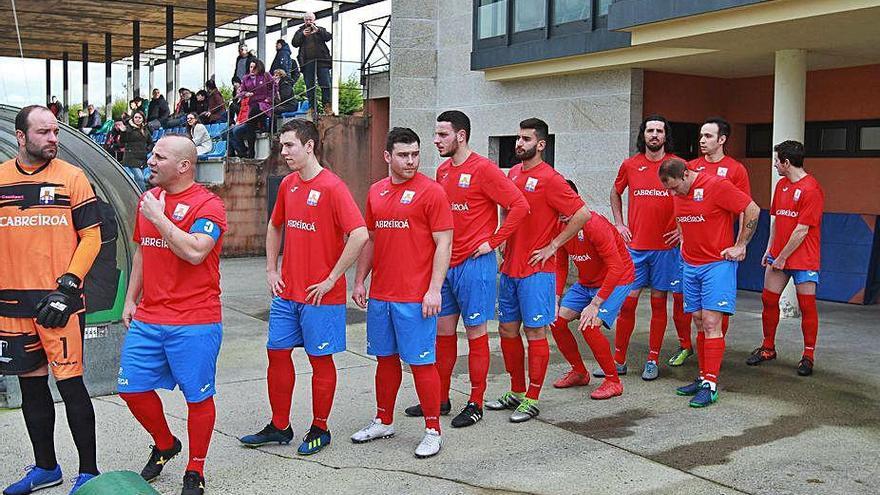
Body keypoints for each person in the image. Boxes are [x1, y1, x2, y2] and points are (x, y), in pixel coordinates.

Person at [239, 119, 368, 455]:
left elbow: (360, 234)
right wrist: (271, 269)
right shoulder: (288, 185)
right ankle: (280, 426)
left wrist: (331, 278)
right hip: (288, 292)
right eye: (282, 146)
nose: (284, 152)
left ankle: (320, 427)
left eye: (289, 145)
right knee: (276, 353)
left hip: (321, 296)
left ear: (309, 146)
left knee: (320, 360)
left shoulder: (332, 187)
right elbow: (274, 225)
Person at [400, 110, 528, 428]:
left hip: (475, 266)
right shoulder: (442, 171)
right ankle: (440, 399)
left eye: (442, 134)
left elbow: (520, 206)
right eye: (436, 133)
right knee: (443, 335)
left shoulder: (484, 169)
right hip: (447, 266)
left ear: (461, 135)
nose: (436, 140)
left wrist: (494, 241)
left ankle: (475, 402)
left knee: (475, 334)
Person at [0, 105, 102, 494]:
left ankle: (88, 473)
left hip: (59, 303)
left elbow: (92, 236)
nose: (53, 139)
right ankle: (46, 468)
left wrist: (69, 285)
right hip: (11, 307)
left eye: (56, 132)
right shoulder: (1, 179)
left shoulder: (73, 178)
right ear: (21, 137)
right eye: (44, 133)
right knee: (31, 387)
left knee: (72, 386)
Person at [117, 134, 227, 495]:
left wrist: (161, 219)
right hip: (149, 317)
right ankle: (165, 443)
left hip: (195, 319)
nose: (150, 160)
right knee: (131, 389)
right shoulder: (149, 199)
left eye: (159, 156)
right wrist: (130, 299)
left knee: (197, 398)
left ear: (183, 166)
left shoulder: (208, 205)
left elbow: (195, 252)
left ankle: (195, 470)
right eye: (151, 154)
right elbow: (143, 253)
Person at [349, 127, 453, 459]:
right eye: (403, 155)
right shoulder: (376, 192)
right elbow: (371, 238)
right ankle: (383, 420)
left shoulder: (432, 192)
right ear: (387, 157)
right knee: (385, 359)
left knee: (423, 363)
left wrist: (434, 290)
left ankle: (433, 430)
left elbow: (444, 244)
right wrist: (360, 280)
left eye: (415, 154)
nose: (411, 161)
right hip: (382, 295)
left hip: (416, 296)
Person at [486, 118, 589, 422]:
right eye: (518, 138)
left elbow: (582, 214)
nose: (519, 144)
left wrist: (554, 245)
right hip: (510, 269)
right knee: (507, 330)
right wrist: (503, 237)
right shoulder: (514, 172)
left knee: (535, 332)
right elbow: (506, 205)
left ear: (541, 144)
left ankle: (532, 397)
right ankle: (516, 392)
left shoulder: (552, 179)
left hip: (537, 271)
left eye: (526, 139)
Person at [658, 158, 759, 408]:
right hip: (691, 265)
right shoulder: (677, 193)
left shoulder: (717, 186)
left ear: (685, 175)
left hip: (717, 264)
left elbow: (752, 209)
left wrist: (740, 245)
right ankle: (703, 377)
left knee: (713, 322)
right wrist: (684, 239)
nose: (672, 193)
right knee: (700, 322)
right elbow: (684, 218)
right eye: (668, 189)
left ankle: (711, 386)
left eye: (674, 187)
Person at [600, 115, 690, 386]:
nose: (654, 135)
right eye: (650, 130)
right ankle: (618, 360)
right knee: (628, 302)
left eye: (659, 131)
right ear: (644, 134)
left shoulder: (676, 164)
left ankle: (652, 359)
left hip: (665, 248)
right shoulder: (630, 164)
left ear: (665, 135)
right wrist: (619, 224)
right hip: (636, 247)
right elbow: (615, 193)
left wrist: (683, 229)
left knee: (658, 303)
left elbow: (690, 197)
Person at [748, 140, 824, 376]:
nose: (774, 165)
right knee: (768, 300)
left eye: (776, 161)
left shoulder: (812, 189)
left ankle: (808, 356)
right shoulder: (781, 185)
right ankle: (768, 348)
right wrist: (769, 250)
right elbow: (776, 219)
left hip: (803, 258)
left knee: (807, 306)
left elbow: (802, 230)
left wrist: (781, 257)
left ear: (786, 162)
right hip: (778, 256)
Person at [553, 180, 635, 400]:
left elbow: (617, 267)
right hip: (586, 282)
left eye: (562, 201)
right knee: (556, 321)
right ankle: (579, 372)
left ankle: (613, 381)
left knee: (589, 325)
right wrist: (556, 297)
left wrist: (595, 304)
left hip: (617, 279)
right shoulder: (559, 225)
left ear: (575, 201)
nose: (558, 208)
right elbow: (560, 263)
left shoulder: (594, 224)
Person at [687, 117, 752, 339]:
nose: (702, 140)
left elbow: (746, 208)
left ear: (722, 139)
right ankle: (696, 351)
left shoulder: (736, 169)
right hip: (693, 252)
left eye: (708, 136)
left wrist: (740, 244)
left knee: (715, 312)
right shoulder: (691, 167)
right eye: (701, 136)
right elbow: (680, 202)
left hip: (720, 250)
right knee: (696, 314)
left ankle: (715, 356)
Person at [230, 59, 274, 159]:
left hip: (264, 103)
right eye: (250, 67)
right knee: (250, 125)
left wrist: (269, 98)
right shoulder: (246, 78)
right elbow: (241, 91)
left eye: (254, 67)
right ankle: (251, 150)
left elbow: (273, 87)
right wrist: (246, 94)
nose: (252, 69)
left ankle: (251, 151)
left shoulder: (266, 75)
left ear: (259, 67)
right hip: (253, 104)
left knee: (253, 114)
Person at [292, 12, 332, 116]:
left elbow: (328, 37)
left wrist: (318, 31)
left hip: (322, 61)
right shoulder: (300, 31)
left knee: (326, 84)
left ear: (314, 20)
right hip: (307, 62)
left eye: (310, 20)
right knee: (310, 85)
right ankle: (312, 108)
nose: (309, 22)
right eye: (307, 20)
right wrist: (302, 35)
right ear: (304, 21)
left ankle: (327, 106)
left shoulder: (320, 29)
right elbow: (294, 43)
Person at [116, 110, 152, 190]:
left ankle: (139, 193)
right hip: (131, 158)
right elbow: (122, 141)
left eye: (140, 117)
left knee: (143, 179)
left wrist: (147, 150)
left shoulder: (145, 130)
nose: (138, 119)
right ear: (133, 118)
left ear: (143, 119)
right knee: (139, 178)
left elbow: (150, 143)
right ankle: (142, 195)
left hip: (142, 159)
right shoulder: (128, 129)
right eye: (136, 117)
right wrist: (123, 132)